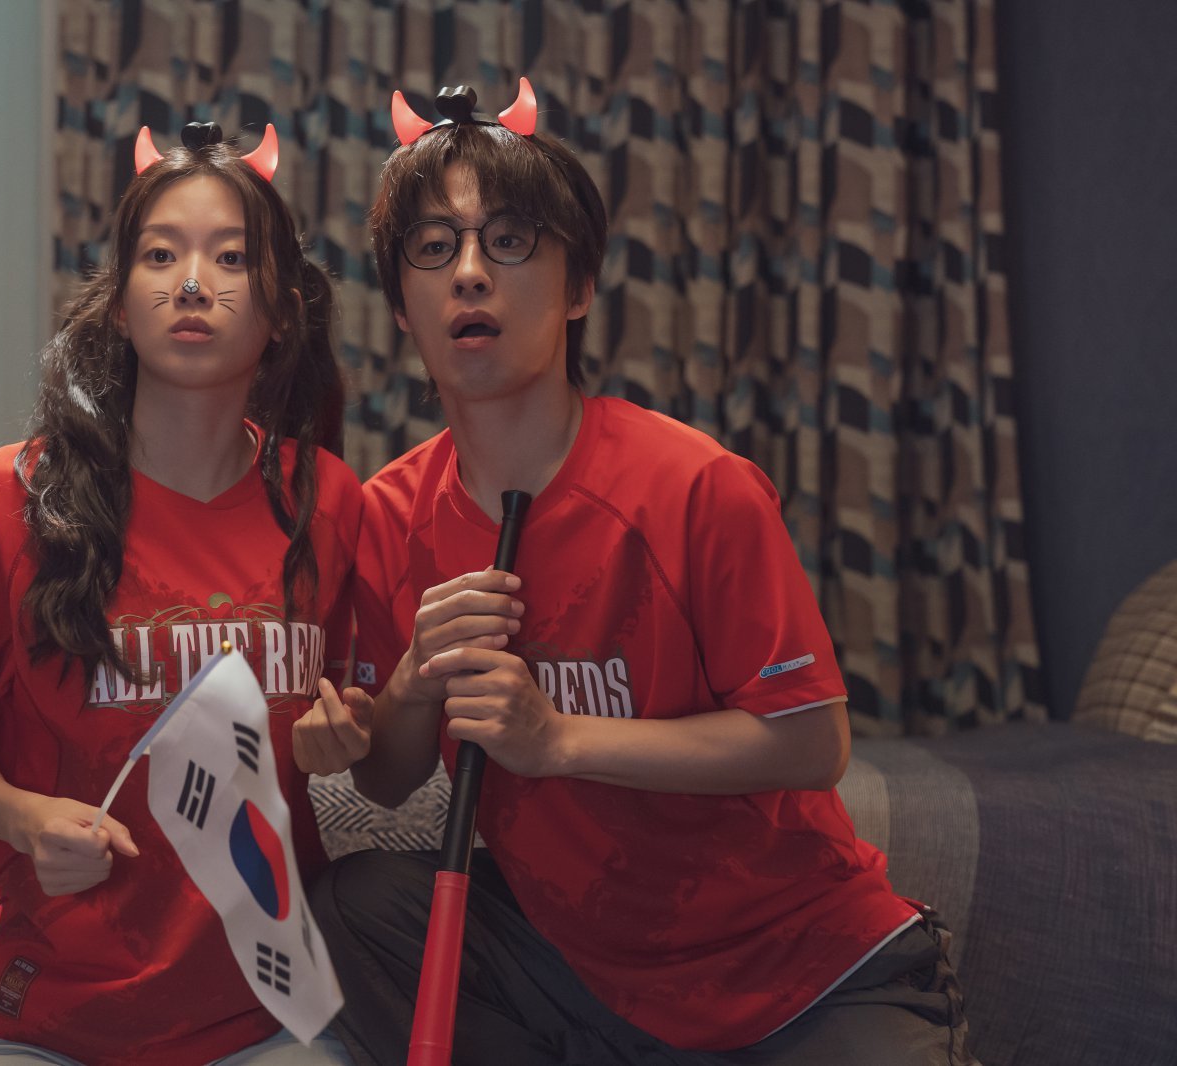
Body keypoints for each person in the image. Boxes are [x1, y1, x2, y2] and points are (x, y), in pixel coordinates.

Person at [305, 82, 978, 1065]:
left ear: (578, 287)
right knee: (354, 907)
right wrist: (412, 681)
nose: (470, 274)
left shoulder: (695, 486)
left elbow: (809, 741)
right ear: (402, 307)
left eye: (509, 241)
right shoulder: (389, 512)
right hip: (577, 972)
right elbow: (388, 773)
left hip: (798, 974)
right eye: (434, 248)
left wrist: (557, 739)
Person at [0, 122, 363, 1066]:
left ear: (281, 311)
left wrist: (352, 733)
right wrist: (28, 820)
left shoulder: (329, 499)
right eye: (160, 255)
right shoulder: (6, 495)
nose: (191, 284)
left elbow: (366, 727)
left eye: (232, 258)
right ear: (118, 304)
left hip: (262, 1020)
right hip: (43, 1020)